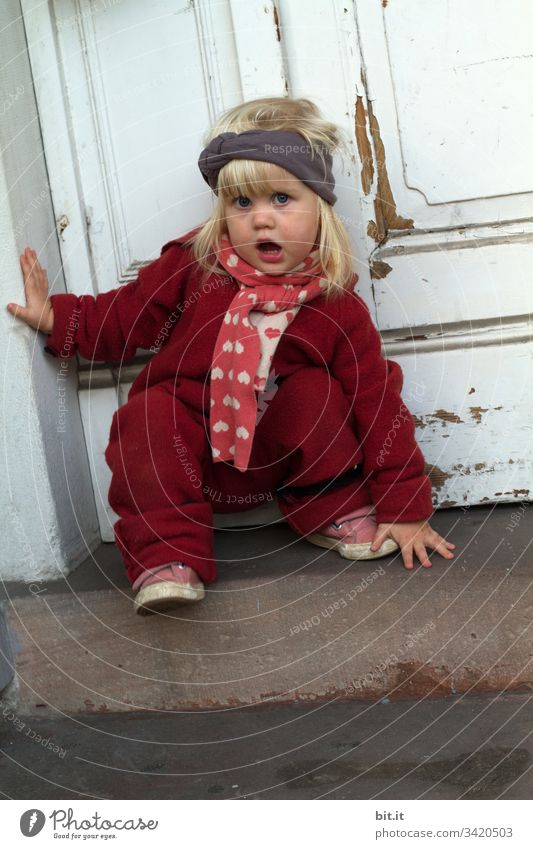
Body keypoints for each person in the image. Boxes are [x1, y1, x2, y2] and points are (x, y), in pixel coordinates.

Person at [7, 96, 455, 616]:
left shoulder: (337, 308)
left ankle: (332, 507)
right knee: (147, 413)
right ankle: (166, 556)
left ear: (321, 209)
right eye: (242, 203)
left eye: (282, 198)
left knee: (318, 391)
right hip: (191, 448)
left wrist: (405, 506)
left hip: (282, 453)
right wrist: (59, 320)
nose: (261, 219)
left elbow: (378, 405)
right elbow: (127, 316)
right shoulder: (194, 269)